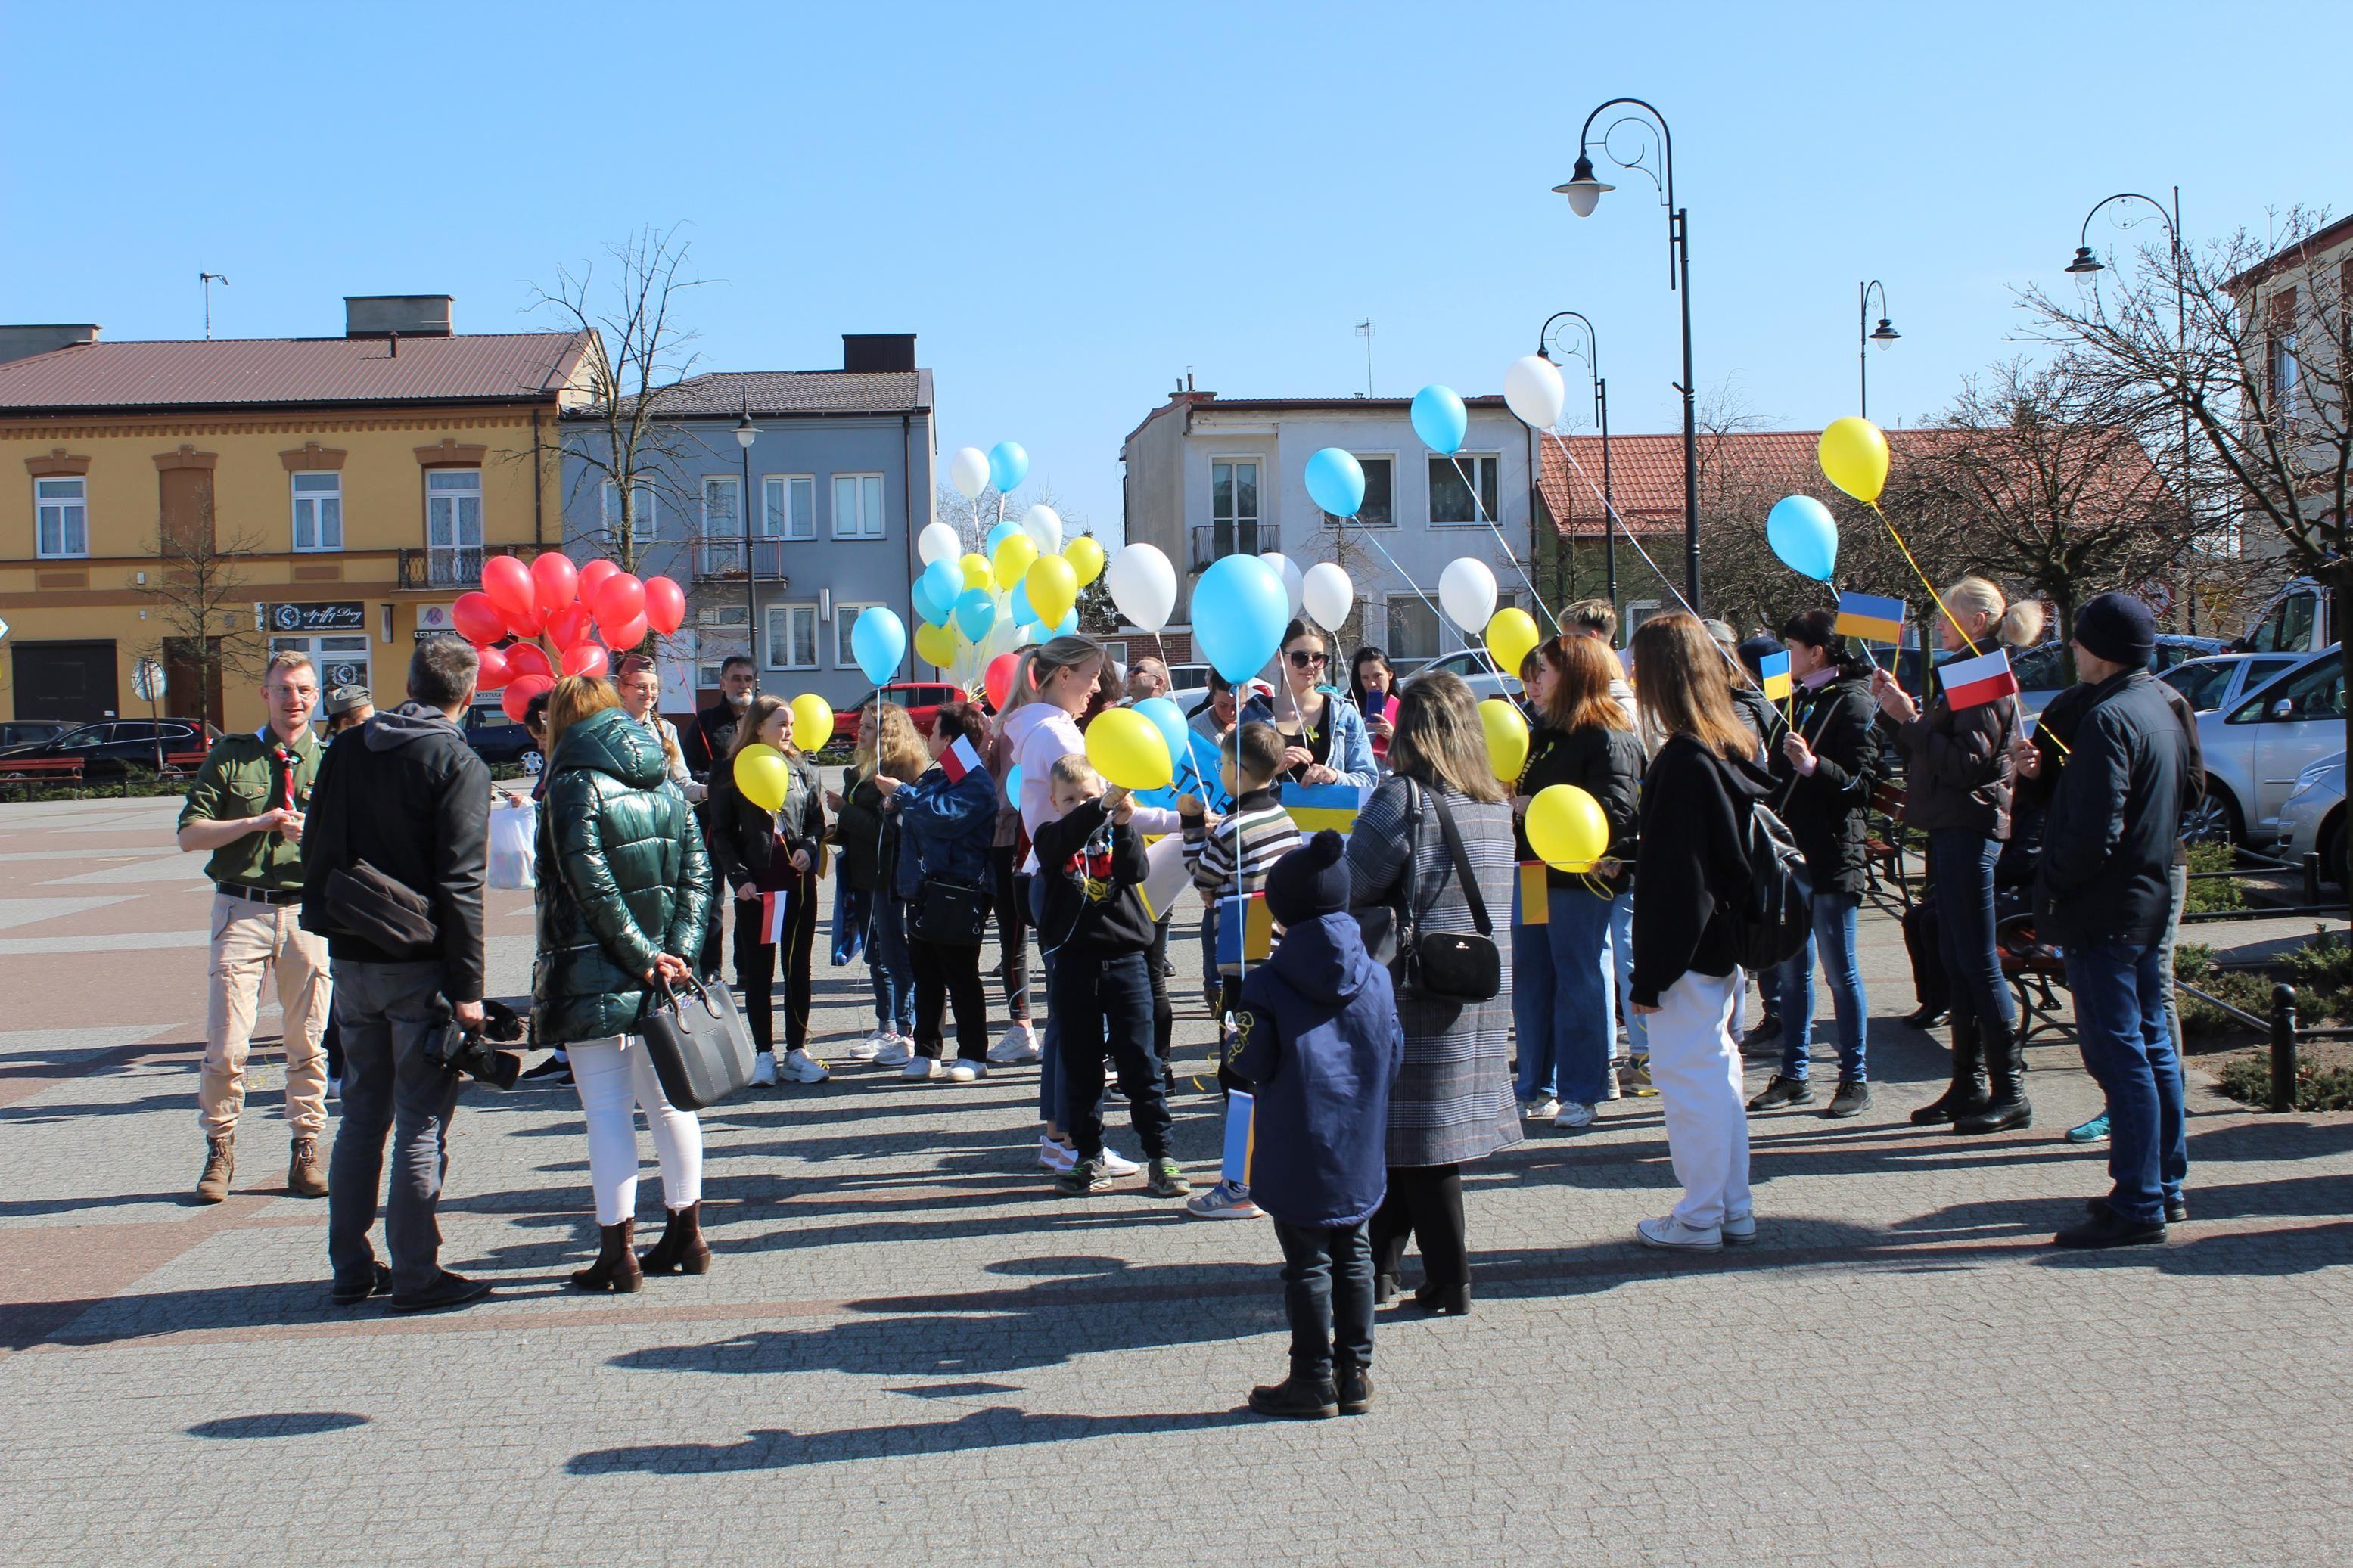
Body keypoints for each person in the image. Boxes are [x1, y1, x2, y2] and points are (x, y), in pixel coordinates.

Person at [303, 636, 493, 1313]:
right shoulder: (456, 759)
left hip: (354, 955)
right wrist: (469, 988)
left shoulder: (348, 747)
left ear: (409, 684)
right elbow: (462, 883)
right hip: (420, 963)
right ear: (467, 696)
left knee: (360, 1116)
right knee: (419, 1120)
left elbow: (314, 839)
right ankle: (417, 1273)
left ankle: (351, 1266)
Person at [2013, 595, 2192, 1246]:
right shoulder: (2161, 705)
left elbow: (2094, 828)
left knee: (2121, 1055)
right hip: (2142, 898)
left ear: (2105, 650)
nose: (2074, 652)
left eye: (2083, 643)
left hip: (2107, 908)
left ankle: (2140, 1198)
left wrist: (2053, 882)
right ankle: (2163, 1184)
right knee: (2150, 1046)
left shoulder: (2111, 717)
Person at [532, 675, 713, 1291]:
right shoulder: (663, 776)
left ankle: (618, 1251)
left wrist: (642, 956)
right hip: (660, 970)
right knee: (669, 1105)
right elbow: (698, 874)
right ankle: (687, 1234)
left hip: (594, 967)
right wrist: (677, 954)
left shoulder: (571, 780)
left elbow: (589, 881)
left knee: (606, 1112)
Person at [1346, 672, 1520, 1313]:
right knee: (1413, 1138)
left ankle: (1451, 1278)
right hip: (1474, 982)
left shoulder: (1402, 799)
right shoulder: (1495, 803)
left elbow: (1352, 880)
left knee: (1423, 1145)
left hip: (1414, 988)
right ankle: (1382, 1267)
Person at [1232, 831, 1406, 1421]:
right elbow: (1394, 1050)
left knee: (1306, 1260)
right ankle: (1354, 1372)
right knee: (1355, 1249)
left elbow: (1247, 1061)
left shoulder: (1268, 981)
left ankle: (1310, 1376)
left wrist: (1233, 1029)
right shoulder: (1378, 976)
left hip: (1295, 1138)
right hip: (1358, 1136)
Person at [1871, 576, 2044, 1134]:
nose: (1938, 624)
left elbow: (1966, 764)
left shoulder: (1982, 673)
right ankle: (1968, 1083)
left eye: (1947, 616)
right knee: (1956, 955)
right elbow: (1933, 750)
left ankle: (2009, 1089)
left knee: (1977, 959)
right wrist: (1898, 713)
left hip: (1971, 828)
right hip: (1952, 825)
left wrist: (1911, 719)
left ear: (1976, 621)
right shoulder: (1968, 671)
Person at [1624, 612, 1773, 1252]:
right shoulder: (1727, 742)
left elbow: (1680, 883)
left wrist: (1651, 976)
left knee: (1691, 1084)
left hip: (1688, 949)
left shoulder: (1684, 758)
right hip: (1719, 945)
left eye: (1638, 664)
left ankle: (1700, 1214)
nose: (1630, 674)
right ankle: (1729, 1206)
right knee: (1717, 1074)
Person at [1003, 634, 1177, 1175]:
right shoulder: (1054, 734)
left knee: (1069, 1021)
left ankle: (1064, 1135)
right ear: (1061, 676)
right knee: (1073, 1026)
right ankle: (1067, 1137)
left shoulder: (1042, 728)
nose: (1098, 686)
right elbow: (1107, 809)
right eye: (1092, 674)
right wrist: (1183, 820)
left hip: (1059, 881)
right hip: (1067, 884)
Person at [177, 651, 331, 1202]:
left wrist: (309, 835)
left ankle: (305, 1148)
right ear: (266, 694)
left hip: (306, 914)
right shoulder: (232, 756)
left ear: (317, 697)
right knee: (227, 1044)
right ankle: (220, 1149)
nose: (295, 700)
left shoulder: (333, 762)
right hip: (240, 909)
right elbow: (190, 835)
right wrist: (258, 822)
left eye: (305, 690)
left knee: (307, 1041)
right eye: (284, 689)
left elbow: (358, 843)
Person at [1032, 754, 1191, 1200]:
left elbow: (1136, 871)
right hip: (1075, 967)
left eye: (1090, 794)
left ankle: (1161, 1156)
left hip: (1126, 963)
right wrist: (1097, 807)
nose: (1082, 803)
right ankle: (1088, 1155)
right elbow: (1056, 843)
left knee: (1142, 1065)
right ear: (1054, 802)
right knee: (1082, 1067)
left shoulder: (1120, 830)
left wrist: (1121, 824)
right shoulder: (1050, 835)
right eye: (1071, 799)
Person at [1748, 610, 1879, 1119]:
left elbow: (1861, 784)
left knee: (1840, 971)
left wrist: (1813, 765)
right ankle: (1794, 1072)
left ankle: (1854, 1077)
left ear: (1817, 653)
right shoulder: (1795, 697)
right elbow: (1779, 778)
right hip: (1793, 855)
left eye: (1792, 647)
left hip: (1832, 855)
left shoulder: (1852, 701)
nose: (1786, 656)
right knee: (1791, 970)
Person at [1512, 635, 1643, 1131]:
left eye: (1544, 670)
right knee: (1532, 976)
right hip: (1533, 870)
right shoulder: (1541, 730)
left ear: (1576, 675)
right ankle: (1534, 1085)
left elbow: (1616, 813)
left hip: (1579, 878)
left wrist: (1540, 807)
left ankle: (1582, 1089)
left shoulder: (1608, 736)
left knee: (1577, 977)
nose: (1535, 680)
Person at [1177, 720, 1304, 1219]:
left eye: (1223, 765)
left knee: (1238, 1069)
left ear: (1237, 769)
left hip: (1242, 963)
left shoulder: (1231, 827)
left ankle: (1239, 1183)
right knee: (1270, 1066)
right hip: (1277, 955)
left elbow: (1202, 876)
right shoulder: (1282, 817)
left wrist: (1191, 826)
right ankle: (1273, 1171)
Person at [706, 694, 829, 1085]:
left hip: (798, 886)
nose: (789, 731)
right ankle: (763, 1054)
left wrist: (810, 849)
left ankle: (796, 1050)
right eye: (781, 724)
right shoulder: (729, 771)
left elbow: (815, 820)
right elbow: (721, 833)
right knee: (759, 973)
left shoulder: (803, 768)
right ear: (758, 727)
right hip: (758, 891)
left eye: (791, 724)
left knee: (797, 969)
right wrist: (739, 878)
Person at [880, 700, 1002, 1082]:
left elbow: (942, 817)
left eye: (933, 732)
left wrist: (902, 795)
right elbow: (921, 810)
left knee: (960, 973)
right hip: (923, 888)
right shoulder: (942, 772)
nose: (927, 738)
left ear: (949, 739)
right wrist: (896, 804)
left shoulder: (975, 780)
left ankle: (972, 1054)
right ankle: (927, 1052)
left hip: (959, 891)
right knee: (926, 972)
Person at [830, 704, 923, 1067]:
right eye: (862, 726)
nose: (861, 733)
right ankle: (886, 1024)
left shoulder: (898, 774)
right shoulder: (864, 770)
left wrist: (843, 810)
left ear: (888, 735)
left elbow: (885, 833)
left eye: (869, 728)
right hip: (864, 875)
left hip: (887, 877)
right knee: (874, 954)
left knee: (894, 955)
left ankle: (905, 1029)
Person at [680, 654, 756, 979]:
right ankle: (711, 969)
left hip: (753, 827)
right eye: (736, 678)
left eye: (748, 679)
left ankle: (748, 967)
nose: (743, 685)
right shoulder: (704, 722)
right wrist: (719, 785)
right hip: (712, 825)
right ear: (723, 683)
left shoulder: (764, 719)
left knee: (751, 899)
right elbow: (688, 771)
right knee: (712, 902)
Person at [316, 684, 375, 1100]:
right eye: (360, 719)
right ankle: (335, 1063)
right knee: (340, 983)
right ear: (340, 723)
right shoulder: (328, 757)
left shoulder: (373, 753)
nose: (370, 726)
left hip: (369, 882)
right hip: (338, 881)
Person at [1243, 620, 1378, 790]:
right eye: (1300, 658)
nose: (1310, 665)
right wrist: (1271, 770)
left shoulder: (1343, 714)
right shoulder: (1253, 715)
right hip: (1273, 815)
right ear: (1280, 659)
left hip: (1330, 815)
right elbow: (1235, 782)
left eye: (1318, 658)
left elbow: (1368, 778)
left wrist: (1335, 776)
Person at [984, 688, 1039, 1066]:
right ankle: (1022, 1026)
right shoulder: (1001, 725)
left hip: (1049, 839)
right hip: (1005, 839)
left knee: (1057, 941)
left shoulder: (1062, 725)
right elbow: (985, 776)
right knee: (1012, 937)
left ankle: (1070, 1030)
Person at [614, 653, 704, 804]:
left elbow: (680, 783)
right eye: (641, 687)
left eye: (654, 688)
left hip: (660, 816)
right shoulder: (611, 727)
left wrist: (707, 790)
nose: (649, 694)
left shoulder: (667, 730)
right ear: (623, 688)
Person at [1348, 647, 1400, 766]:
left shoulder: (1405, 708)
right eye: (1365, 678)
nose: (1372, 683)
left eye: (1377, 676)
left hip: (1395, 778)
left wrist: (1393, 736)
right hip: (1362, 777)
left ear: (1390, 674)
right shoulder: (1350, 710)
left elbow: (1420, 753)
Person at [1188, 671, 1239, 743]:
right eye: (1222, 705)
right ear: (1212, 699)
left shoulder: (1257, 721)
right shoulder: (1195, 729)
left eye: (1236, 706)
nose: (1230, 713)